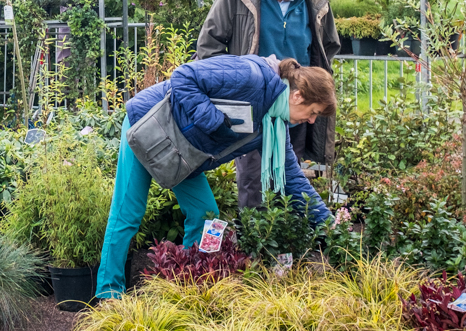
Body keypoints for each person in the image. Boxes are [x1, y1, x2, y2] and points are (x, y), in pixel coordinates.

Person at [96, 56, 335, 300]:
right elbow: (183, 76)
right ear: (297, 95)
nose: (312, 120)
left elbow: (292, 179)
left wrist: (333, 227)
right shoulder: (251, 76)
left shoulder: (273, 124)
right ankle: (108, 294)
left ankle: (183, 287)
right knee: (128, 212)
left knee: (205, 214)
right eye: (313, 112)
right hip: (149, 126)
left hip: (184, 153)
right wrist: (213, 120)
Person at [196, 0, 340, 209]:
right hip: (255, 106)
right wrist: (234, 86)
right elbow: (208, 47)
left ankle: (287, 241)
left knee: (289, 176)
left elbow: (327, 47)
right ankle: (254, 242)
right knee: (252, 179)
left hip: (296, 104)